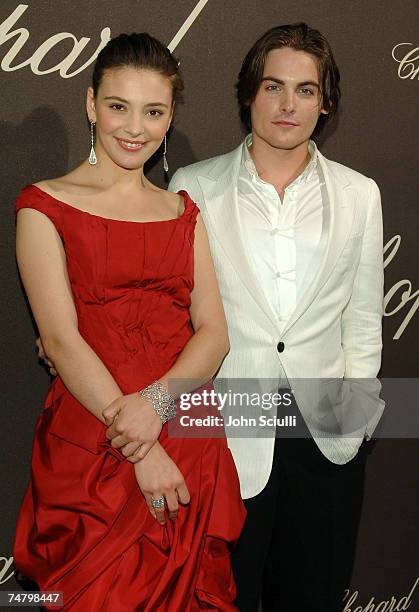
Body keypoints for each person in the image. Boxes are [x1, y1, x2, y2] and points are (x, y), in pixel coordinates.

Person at [14, 32, 245, 611]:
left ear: (170, 118)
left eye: (154, 111)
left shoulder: (182, 211)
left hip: (187, 432)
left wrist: (159, 405)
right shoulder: (43, 205)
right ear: (91, 104)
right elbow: (62, 341)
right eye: (118, 106)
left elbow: (214, 332)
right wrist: (142, 447)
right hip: (96, 443)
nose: (134, 127)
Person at [168, 23, 385, 612]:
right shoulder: (195, 187)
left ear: (326, 102)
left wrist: (360, 410)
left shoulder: (359, 193)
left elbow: (364, 317)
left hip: (327, 432)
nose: (289, 105)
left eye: (306, 90)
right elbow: (175, 315)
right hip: (226, 434)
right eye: (273, 86)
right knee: (221, 599)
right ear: (248, 94)